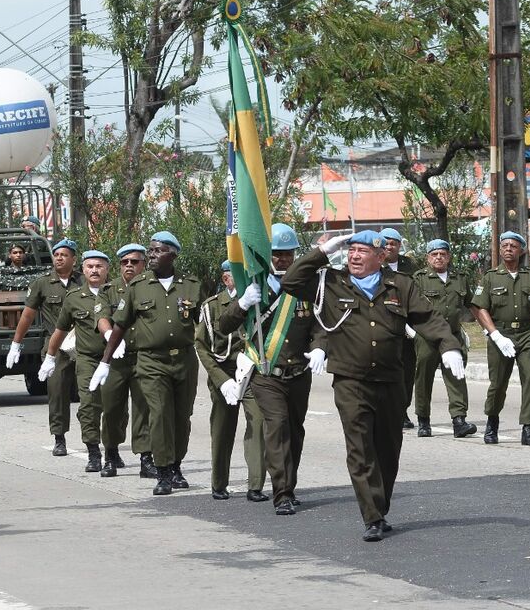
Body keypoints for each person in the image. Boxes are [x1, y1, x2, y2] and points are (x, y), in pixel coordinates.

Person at [280, 230, 461, 541]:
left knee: (388, 451)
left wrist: (449, 345)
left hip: (391, 380)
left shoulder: (400, 285)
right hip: (351, 381)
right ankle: (372, 516)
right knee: (360, 448)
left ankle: (380, 505)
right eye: (351, 251)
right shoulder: (331, 282)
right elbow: (290, 282)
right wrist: (322, 252)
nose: (354, 256)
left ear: (380, 257)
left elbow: (427, 317)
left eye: (363, 251)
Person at [221, 224, 327, 515]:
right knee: (277, 428)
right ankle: (281, 494)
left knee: (295, 431)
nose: (282, 259)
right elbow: (224, 325)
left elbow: (319, 323)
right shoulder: (255, 283)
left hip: (299, 373)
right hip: (267, 374)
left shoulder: (308, 284)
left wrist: (320, 346)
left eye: (288, 253)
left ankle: (289, 487)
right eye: (277, 254)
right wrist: (242, 303)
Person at [93, 231, 204, 496]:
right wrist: (105, 361)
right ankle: (163, 472)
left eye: (157, 251)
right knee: (159, 414)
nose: (151, 255)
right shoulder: (138, 286)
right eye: (150, 251)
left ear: (173, 254)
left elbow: (206, 323)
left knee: (181, 416)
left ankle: (176, 465)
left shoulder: (192, 285)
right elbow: (120, 324)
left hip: (185, 360)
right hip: (151, 361)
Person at [196, 260, 267, 502]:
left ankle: (255, 485)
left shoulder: (259, 299)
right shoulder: (212, 306)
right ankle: (219, 483)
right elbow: (202, 346)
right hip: (224, 372)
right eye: (238, 274)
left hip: (252, 371)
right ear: (227, 278)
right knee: (222, 429)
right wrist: (221, 380)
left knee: (258, 423)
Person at [38, 250, 114, 473]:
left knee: (114, 409)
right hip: (88, 359)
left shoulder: (118, 294)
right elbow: (60, 331)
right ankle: (93, 452)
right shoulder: (73, 298)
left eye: (99, 266)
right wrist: (50, 357)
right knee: (89, 404)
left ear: (107, 270)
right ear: (84, 269)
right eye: (90, 266)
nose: (94, 270)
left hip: (116, 360)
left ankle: (112, 450)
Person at [470, 231, 530, 446]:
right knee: (498, 383)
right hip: (500, 334)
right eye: (504, 246)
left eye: (513, 246)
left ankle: (528, 429)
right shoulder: (491, 277)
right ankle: (492, 423)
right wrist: (494, 334)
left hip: (526, 333)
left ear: (521, 250)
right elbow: (480, 307)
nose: (508, 249)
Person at [8, 238, 83, 456]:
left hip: (84, 343)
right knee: (57, 392)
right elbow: (28, 315)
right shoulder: (42, 283)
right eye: (56, 255)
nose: (59, 258)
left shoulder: (84, 281)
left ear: (74, 259)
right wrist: (16, 344)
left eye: (64, 255)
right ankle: (59, 438)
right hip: (55, 346)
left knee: (90, 392)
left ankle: (90, 431)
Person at [410, 239, 478, 438]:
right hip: (427, 337)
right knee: (424, 377)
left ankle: (459, 420)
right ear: (428, 258)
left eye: (442, 254)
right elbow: (411, 306)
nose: (439, 257)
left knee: (456, 376)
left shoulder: (460, 278)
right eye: (434, 254)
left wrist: (487, 329)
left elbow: (471, 304)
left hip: (453, 335)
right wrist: (411, 331)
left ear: (448, 257)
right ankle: (423, 419)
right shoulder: (419, 278)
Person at [102, 244, 156, 478]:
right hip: (116, 359)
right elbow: (101, 316)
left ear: (143, 264)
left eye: (134, 262)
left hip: (143, 356)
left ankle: (146, 458)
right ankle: (110, 453)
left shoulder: (151, 287)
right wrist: (110, 336)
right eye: (125, 262)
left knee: (144, 408)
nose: (129, 266)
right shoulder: (109, 289)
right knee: (112, 408)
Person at [380, 227, 419, 429]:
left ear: (399, 245)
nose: (389, 247)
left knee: (407, 371)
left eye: (393, 243)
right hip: (382, 325)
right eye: (385, 243)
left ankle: (402, 411)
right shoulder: (375, 263)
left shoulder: (409, 265)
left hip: (408, 328)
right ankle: (385, 409)